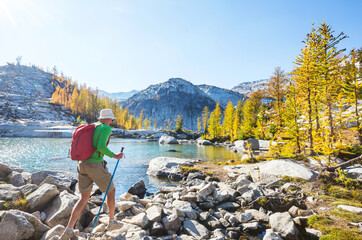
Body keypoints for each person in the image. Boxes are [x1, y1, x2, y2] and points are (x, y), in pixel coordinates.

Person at [60, 109, 124, 240]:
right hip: (94, 164)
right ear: (107, 119)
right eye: (111, 119)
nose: (112, 121)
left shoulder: (93, 126)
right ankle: (112, 222)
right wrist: (115, 155)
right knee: (111, 191)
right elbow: (100, 146)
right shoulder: (105, 128)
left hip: (82, 164)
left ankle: (68, 230)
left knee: (84, 198)